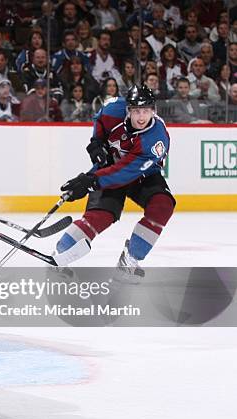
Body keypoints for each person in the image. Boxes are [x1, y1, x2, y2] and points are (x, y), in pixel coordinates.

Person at [56, 84, 175, 278]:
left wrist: (91, 181)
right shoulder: (113, 109)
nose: (142, 117)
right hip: (110, 168)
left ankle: (130, 259)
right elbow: (100, 121)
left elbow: (125, 171)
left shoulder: (156, 139)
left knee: (162, 206)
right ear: (128, 109)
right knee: (100, 216)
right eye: (136, 111)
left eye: (146, 110)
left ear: (154, 110)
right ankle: (60, 255)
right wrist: (97, 142)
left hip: (141, 175)